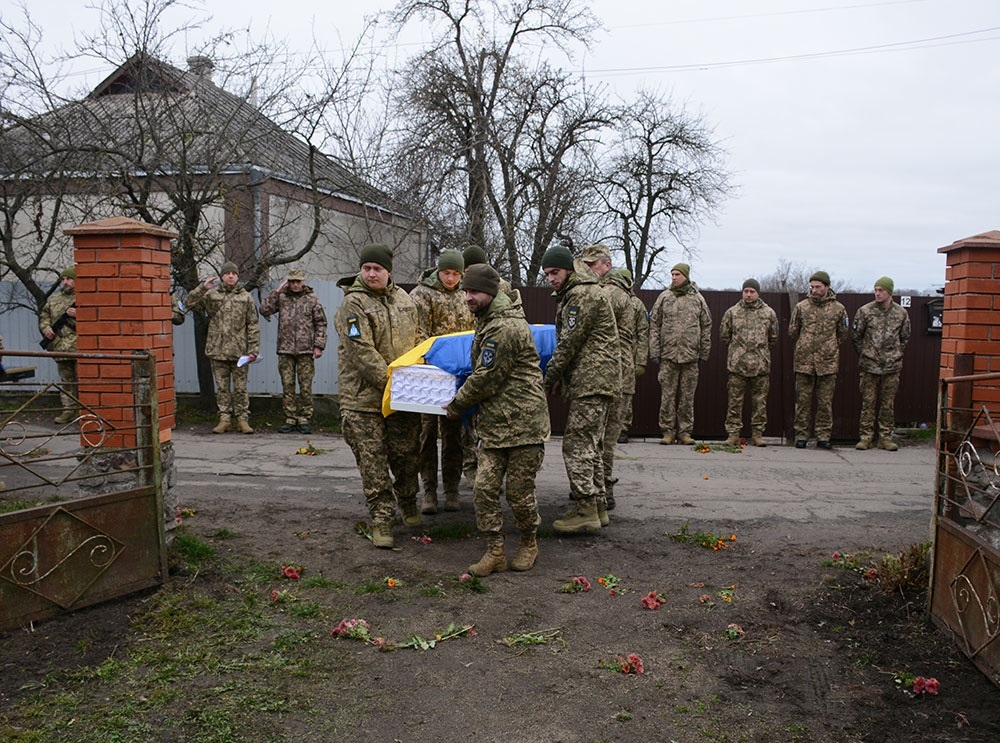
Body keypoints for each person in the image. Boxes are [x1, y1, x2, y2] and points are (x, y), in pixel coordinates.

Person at [445, 264, 549, 576]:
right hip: (494, 425)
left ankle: (529, 543)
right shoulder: (488, 321)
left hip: (523, 426)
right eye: (465, 291)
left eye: (473, 291)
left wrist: (455, 404)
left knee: (519, 494)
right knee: (484, 489)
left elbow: (486, 378)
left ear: (491, 293)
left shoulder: (505, 328)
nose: (467, 297)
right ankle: (495, 552)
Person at [334, 243, 421, 549]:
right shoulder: (352, 304)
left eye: (378, 269)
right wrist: (392, 382)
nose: (372, 273)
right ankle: (382, 519)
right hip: (363, 401)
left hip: (403, 398)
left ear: (389, 271)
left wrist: (422, 377)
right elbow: (361, 352)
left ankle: (408, 501)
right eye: (367, 268)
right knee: (373, 463)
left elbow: (418, 340)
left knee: (407, 456)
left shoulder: (404, 299)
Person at [541, 244, 621, 533]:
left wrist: (548, 378)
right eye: (547, 273)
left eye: (555, 272)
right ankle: (597, 506)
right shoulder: (579, 291)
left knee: (576, 445)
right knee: (591, 445)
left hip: (593, 378)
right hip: (596, 377)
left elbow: (569, 343)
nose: (551, 278)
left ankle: (585, 506)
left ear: (569, 269)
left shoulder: (580, 295)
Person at [411, 250, 473, 513]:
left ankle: (451, 489)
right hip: (431, 375)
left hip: (457, 376)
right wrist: (430, 363)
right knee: (426, 435)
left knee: (454, 436)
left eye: (455, 274)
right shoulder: (422, 295)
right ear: (438, 271)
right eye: (446, 273)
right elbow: (418, 333)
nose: (450, 278)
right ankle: (429, 492)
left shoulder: (465, 295)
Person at [581, 245, 632, 510]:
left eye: (593, 265)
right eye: (585, 265)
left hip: (615, 374)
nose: (588, 269)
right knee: (597, 437)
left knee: (605, 438)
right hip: (610, 372)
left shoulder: (610, 293)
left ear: (606, 266)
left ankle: (603, 492)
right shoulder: (603, 291)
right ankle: (593, 490)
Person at [185, 261, 261, 434]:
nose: (231, 276)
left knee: (241, 388)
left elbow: (253, 325)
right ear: (222, 276)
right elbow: (189, 303)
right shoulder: (212, 296)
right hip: (218, 350)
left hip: (240, 352)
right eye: (227, 273)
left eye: (233, 273)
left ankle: (242, 419)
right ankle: (224, 419)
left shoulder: (245, 297)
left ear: (238, 276)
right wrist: (202, 288)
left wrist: (254, 349)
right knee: (222, 388)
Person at [648, 263, 711, 445]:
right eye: (672, 274)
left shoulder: (697, 299)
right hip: (668, 356)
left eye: (677, 274)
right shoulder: (664, 297)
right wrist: (655, 351)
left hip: (690, 357)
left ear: (686, 276)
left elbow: (706, 326)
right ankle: (668, 432)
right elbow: (654, 324)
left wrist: (703, 353)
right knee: (667, 396)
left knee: (687, 397)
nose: (674, 277)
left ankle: (685, 432)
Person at [260, 268, 328, 435]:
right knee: (287, 385)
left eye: (298, 281)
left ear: (303, 281)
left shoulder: (312, 299)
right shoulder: (282, 298)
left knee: (305, 385)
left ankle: (304, 418)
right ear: (288, 282)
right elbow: (264, 309)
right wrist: (277, 291)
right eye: (292, 281)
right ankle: (290, 418)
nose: (295, 284)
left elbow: (321, 323)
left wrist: (318, 346)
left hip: (306, 350)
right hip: (285, 349)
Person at [789, 270, 848, 449]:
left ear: (827, 287)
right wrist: (805, 345)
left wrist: (828, 347)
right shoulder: (802, 307)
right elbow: (793, 331)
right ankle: (801, 436)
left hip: (827, 363)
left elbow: (843, 333)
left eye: (818, 287)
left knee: (825, 402)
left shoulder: (838, 309)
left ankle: (823, 436)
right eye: (812, 287)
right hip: (804, 362)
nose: (814, 290)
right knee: (803, 402)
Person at [852, 276, 910, 451]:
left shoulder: (901, 313)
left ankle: (885, 437)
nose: (877, 293)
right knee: (868, 403)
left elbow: (905, 337)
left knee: (888, 404)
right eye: (876, 290)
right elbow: (856, 336)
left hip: (892, 367)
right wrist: (867, 354)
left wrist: (895, 354)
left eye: (881, 290)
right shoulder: (865, 311)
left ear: (889, 292)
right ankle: (866, 437)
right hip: (869, 366)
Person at [719, 279, 779, 447]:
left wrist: (760, 353)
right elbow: (725, 336)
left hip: (760, 365)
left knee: (760, 402)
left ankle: (757, 434)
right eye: (746, 291)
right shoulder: (732, 312)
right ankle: (733, 434)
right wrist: (738, 352)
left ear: (758, 293)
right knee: (734, 402)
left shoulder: (769, 313)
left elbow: (773, 337)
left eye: (752, 291)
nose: (748, 294)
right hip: (737, 365)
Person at [39, 266, 78, 424]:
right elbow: (44, 316)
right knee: (66, 382)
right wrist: (46, 329)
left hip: (79, 347)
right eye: (63, 279)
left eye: (69, 279)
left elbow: (97, 319)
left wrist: (80, 315)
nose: (65, 282)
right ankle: (68, 411)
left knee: (83, 382)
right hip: (60, 347)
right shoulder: (54, 299)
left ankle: (85, 412)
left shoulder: (84, 298)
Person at [616, 269, 649, 444]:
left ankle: (623, 428)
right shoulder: (609, 299)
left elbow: (644, 333)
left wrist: (641, 361)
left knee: (626, 393)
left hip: (629, 355)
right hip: (609, 355)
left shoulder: (636, 304)